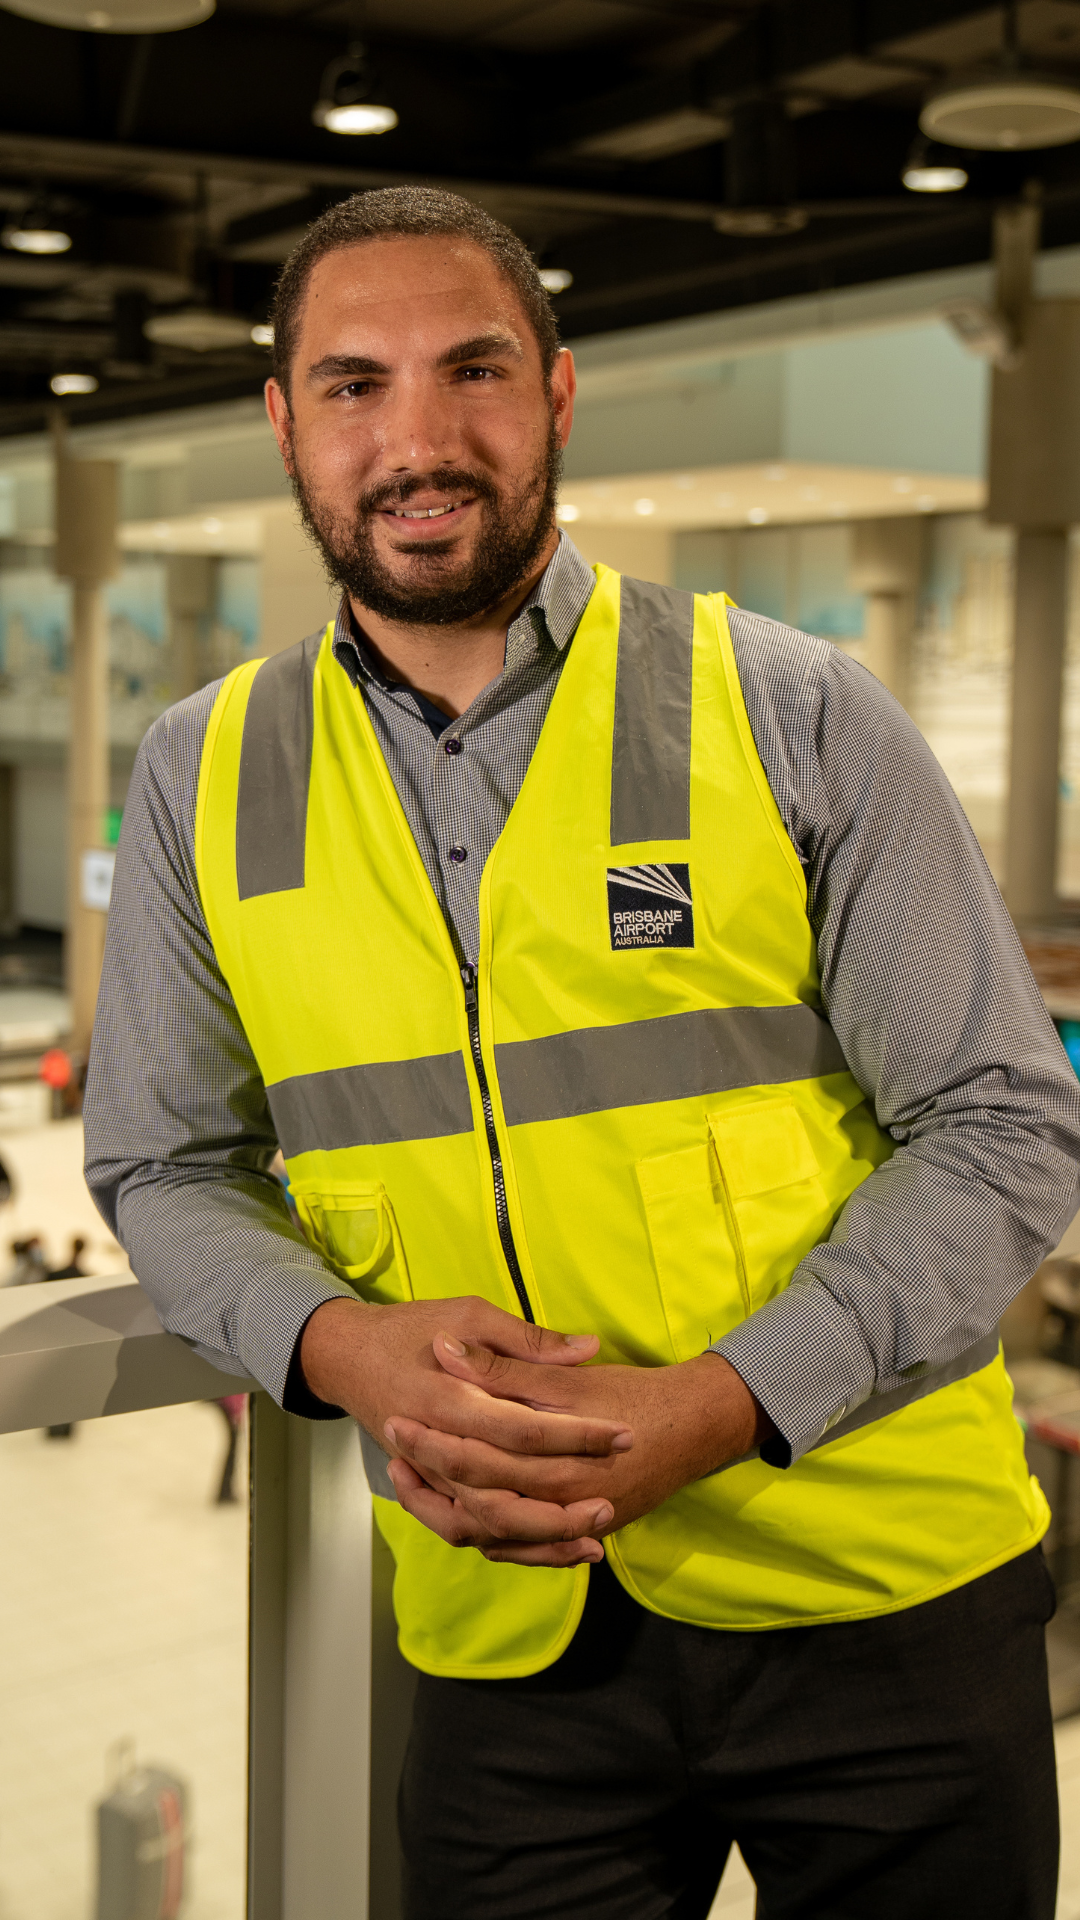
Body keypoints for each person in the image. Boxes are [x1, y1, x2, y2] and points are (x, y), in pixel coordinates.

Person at [83, 188, 1080, 1920]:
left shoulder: (796, 711)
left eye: (471, 369)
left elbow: (1003, 1125)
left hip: (882, 1594)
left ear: (555, 390)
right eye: (352, 383)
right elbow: (164, 1162)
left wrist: (723, 1401)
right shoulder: (202, 770)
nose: (417, 439)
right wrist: (340, 1346)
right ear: (283, 423)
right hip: (506, 1638)